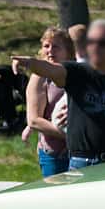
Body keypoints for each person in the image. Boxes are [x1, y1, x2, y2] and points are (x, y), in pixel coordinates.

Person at [10, 18, 105, 166]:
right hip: (81, 162)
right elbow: (51, 69)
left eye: (103, 43)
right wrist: (28, 62)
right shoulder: (77, 72)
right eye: (92, 42)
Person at [25, 26, 75, 177]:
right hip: (55, 154)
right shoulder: (39, 77)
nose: (50, 50)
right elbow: (34, 121)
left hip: (82, 153)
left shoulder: (78, 72)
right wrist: (72, 137)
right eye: (46, 46)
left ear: (68, 51)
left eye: (56, 46)